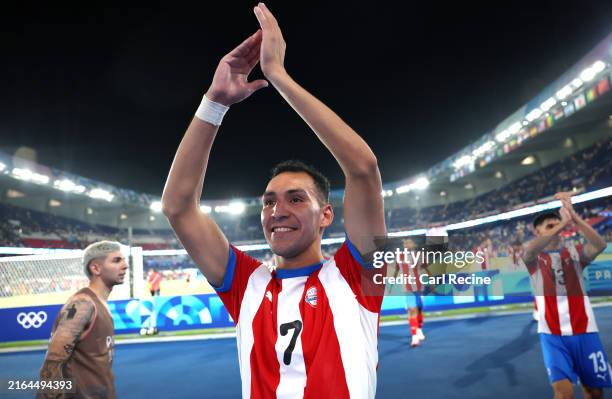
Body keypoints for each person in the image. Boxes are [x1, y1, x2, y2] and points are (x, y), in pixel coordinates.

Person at [162, 3, 386, 398]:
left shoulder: (357, 276)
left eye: (296, 199)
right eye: (268, 202)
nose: (277, 211)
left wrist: (278, 77)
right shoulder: (245, 283)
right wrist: (214, 102)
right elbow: (178, 207)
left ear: (326, 215)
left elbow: (363, 168)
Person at [522, 192, 611, 399]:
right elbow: (528, 251)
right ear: (538, 232)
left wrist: (574, 217)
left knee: (595, 392)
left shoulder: (575, 253)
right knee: (563, 393)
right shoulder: (534, 258)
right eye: (549, 226)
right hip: (552, 335)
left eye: (557, 225)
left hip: (586, 331)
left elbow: (599, 245)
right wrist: (563, 223)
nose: (556, 229)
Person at [37, 241, 127, 399]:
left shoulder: (98, 303)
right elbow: (54, 358)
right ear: (96, 268)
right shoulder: (82, 304)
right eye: (116, 260)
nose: (125, 265)